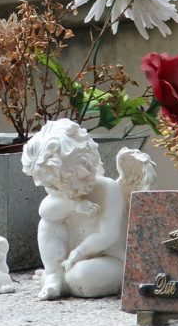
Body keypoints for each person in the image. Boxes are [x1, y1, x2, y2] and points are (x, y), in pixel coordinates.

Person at [21, 119, 140, 300]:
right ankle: (53, 274)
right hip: (69, 260)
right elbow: (45, 212)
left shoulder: (109, 189)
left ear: (74, 172)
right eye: (47, 184)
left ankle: (64, 280)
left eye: (53, 183)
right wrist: (74, 205)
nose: (50, 189)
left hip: (108, 258)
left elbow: (107, 235)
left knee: (82, 277)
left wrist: (79, 253)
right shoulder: (61, 196)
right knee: (48, 223)